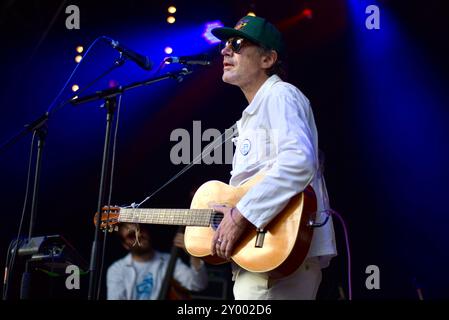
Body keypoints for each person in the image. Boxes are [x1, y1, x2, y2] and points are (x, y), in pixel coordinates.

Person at [209, 15, 337, 300]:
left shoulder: (280, 95)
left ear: (268, 59)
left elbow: (298, 161)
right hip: (264, 258)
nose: (225, 50)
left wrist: (242, 214)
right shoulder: (253, 113)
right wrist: (233, 212)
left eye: (238, 43)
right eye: (226, 44)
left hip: (281, 259)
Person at [106, 223, 208, 300]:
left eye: (140, 230)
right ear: (125, 245)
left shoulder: (168, 260)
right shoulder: (116, 270)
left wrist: (193, 252)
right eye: (132, 235)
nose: (139, 235)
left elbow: (197, 284)